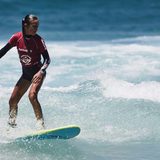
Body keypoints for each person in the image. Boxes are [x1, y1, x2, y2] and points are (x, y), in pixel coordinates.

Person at [0, 14, 50, 129]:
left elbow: (47, 59)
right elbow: (3, 51)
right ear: (25, 25)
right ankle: (12, 125)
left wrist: (41, 72)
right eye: (34, 26)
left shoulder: (38, 40)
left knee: (32, 96)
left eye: (37, 26)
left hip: (38, 72)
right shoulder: (17, 38)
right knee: (13, 100)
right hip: (26, 74)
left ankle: (41, 126)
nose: (36, 29)